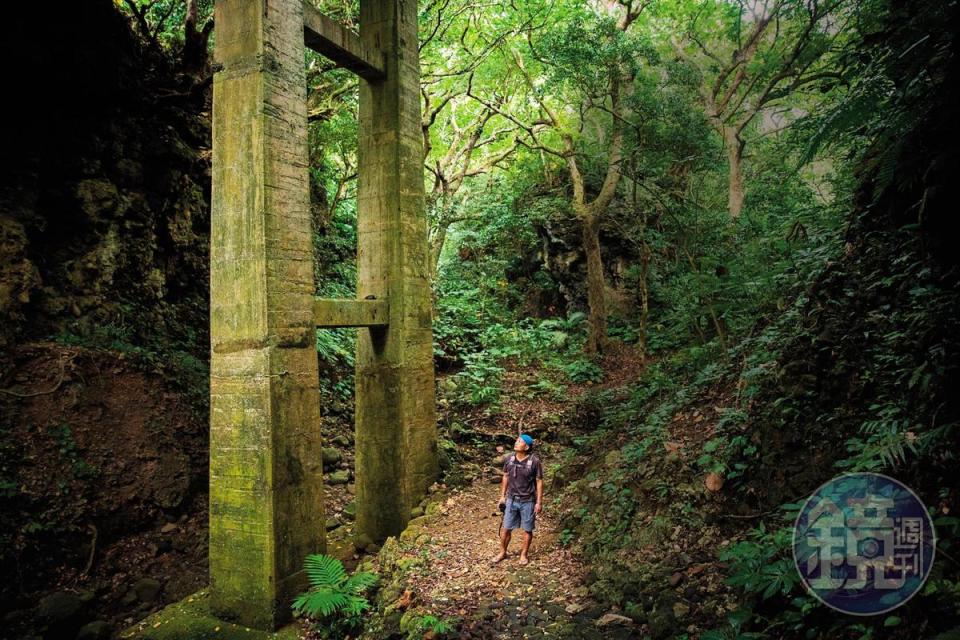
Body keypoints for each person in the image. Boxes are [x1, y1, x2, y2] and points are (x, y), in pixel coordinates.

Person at [492, 433, 543, 566]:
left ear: (526, 447)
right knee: (506, 528)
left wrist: (538, 502)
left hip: (528, 500)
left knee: (527, 529)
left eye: (519, 441)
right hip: (511, 499)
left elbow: (539, 481)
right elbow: (506, 476)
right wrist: (502, 496)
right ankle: (502, 552)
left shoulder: (534, 461)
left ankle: (524, 554)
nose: (516, 442)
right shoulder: (509, 459)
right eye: (517, 440)